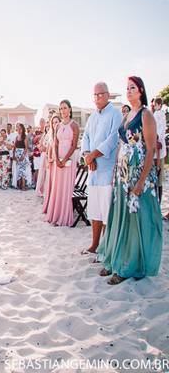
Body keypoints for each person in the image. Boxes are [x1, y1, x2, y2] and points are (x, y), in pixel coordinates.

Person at [97, 76, 163, 285]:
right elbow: (121, 145)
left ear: (141, 90)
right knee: (120, 218)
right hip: (122, 177)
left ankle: (128, 266)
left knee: (135, 222)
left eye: (132, 87)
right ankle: (116, 260)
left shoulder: (146, 115)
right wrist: (116, 171)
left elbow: (151, 149)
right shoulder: (126, 116)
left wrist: (142, 181)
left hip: (138, 176)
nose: (128, 91)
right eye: (126, 88)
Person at [80, 82, 121, 255]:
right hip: (93, 170)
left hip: (107, 171)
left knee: (106, 212)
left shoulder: (115, 114)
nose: (97, 97)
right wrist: (88, 155)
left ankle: (105, 248)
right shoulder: (92, 116)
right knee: (94, 210)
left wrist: (94, 155)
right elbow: (85, 137)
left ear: (107, 94)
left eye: (100, 94)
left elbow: (113, 140)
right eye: (95, 95)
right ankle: (95, 245)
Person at [44, 100, 79, 226]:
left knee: (66, 188)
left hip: (69, 161)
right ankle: (56, 215)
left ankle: (64, 217)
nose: (63, 110)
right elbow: (55, 143)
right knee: (57, 187)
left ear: (70, 109)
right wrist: (57, 160)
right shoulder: (58, 126)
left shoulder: (74, 125)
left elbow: (74, 145)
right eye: (61, 108)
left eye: (65, 108)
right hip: (58, 160)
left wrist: (64, 160)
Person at [41, 115, 61, 206]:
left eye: (56, 122)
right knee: (51, 182)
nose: (54, 124)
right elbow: (49, 148)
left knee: (58, 183)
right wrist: (49, 158)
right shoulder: (51, 134)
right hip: (51, 160)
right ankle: (51, 202)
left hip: (59, 159)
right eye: (53, 122)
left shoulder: (61, 133)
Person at [150, 97, 165, 206]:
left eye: (155, 104)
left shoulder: (160, 114)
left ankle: (158, 203)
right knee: (153, 178)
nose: (154, 106)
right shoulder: (153, 114)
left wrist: (156, 139)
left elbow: (160, 130)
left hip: (158, 150)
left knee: (158, 178)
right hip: (152, 151)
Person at [13, 124, 32, 190]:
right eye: (18, 128)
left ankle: (23, 185)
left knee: (23, 170)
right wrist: (14, 155)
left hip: (23, 154)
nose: (19, 130)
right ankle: (19, 185)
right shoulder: (16, 137)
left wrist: (23, 156)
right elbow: (15, 147)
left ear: (23, 129)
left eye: (20, 128)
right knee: (18, 170)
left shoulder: (25, 137)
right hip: (17, 154)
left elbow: (26, 148)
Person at [32, 118, 46, 194]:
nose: (42, 123)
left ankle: (43, 185)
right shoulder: (36, 131)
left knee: (44, 170)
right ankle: (36, 184)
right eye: (40, 121)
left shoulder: (47, 130)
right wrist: (39, 136)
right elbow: (34, 141)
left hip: (44, 153)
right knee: (37, 169)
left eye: (43, 121)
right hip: (37, 153)